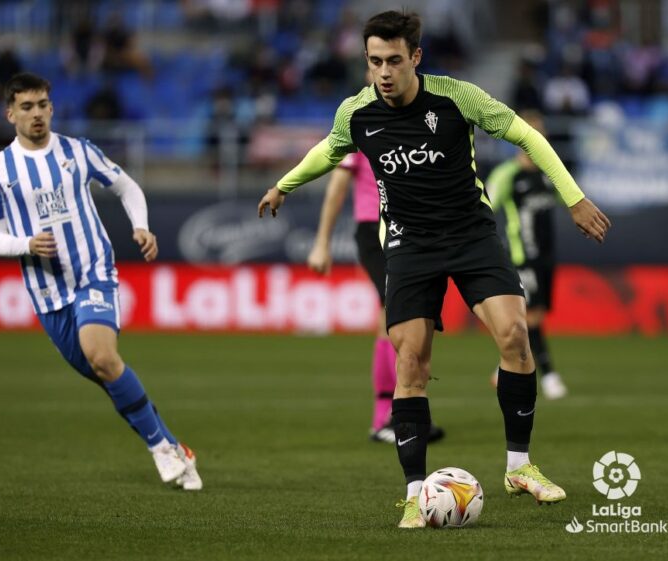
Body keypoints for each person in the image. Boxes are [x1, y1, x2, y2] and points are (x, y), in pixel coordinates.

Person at [258, 11, 611, 528]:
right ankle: (414, 494)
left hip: (471, 235)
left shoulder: (455, 97)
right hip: (408, 245)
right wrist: (284, 185)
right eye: (374, 61)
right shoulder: (355, 113)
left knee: (515, 335)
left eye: (394, 61)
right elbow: (327, 152)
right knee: (412, 364)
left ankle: (520, 466)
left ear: (415, 58)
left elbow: (528, 138)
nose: (383, 71)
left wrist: (574, 199)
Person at [0, 73, 202, 490]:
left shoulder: (77, 152)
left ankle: (159, 448)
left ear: (52, 107)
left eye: (43, 105)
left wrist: (141, 226)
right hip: (48, 295)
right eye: (27, 107)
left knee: (102, 357)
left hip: (92, 273)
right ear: (10, 113)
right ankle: (177, 448)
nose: (37, 114)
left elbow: (127, 187)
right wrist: (26, 243)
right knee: (107, 373)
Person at [307, 150, 445, 444]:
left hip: (411, 228)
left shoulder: (406, 122)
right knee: (395, 312)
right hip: (374, 228)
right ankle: (388, 416)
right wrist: (322, 242)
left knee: (403, 316)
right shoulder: (357, 125)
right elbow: (337, 186)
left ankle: (401, 413)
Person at [486, 110, 568, 399]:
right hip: (522, 257)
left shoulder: (549, 173)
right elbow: (486, 208)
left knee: (537, 315)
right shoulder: (507, 175)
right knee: (531, 318)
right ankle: (550, 376)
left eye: (540, 132)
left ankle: (503, 367)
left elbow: (567, 199)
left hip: (547, 256)